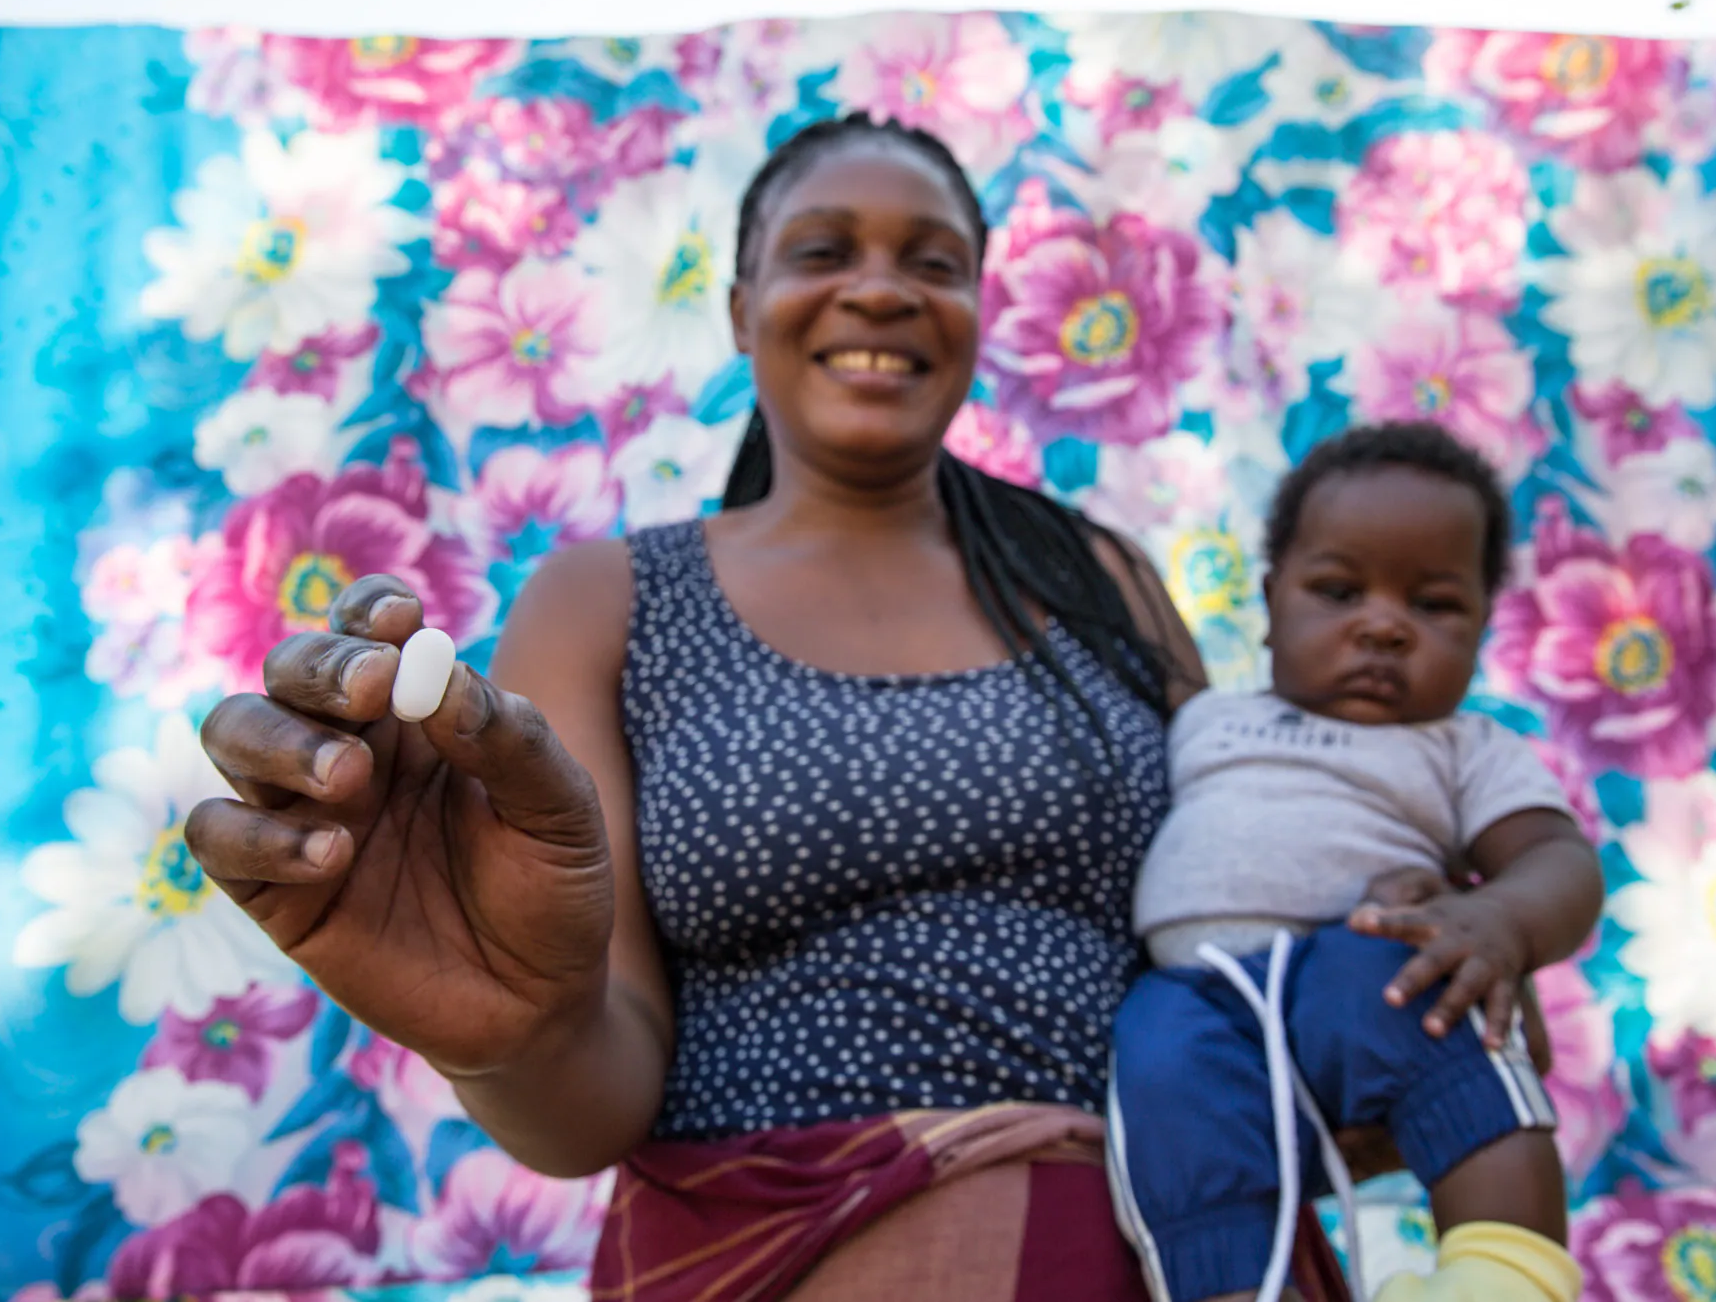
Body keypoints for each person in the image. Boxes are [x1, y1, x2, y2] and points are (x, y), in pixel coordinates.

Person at [182, 115, 1500, 1300]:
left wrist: (1423, 959)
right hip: (764, 1251)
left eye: (934, 261)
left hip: (1170, 1245)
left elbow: (1242, 892)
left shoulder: (1097, 579)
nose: (881, 285)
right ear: (744, 299)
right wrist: (514, 1031)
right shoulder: (609, 600)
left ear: (979, 312)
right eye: (824, 249)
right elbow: (591, 1099)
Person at [1106, 424, 1606, 1302]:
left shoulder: (1463, 749)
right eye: (1339, 591)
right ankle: (1238, 1287)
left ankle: (1499, 1275)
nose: (1382, 624)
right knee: (1155, 1071)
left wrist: (1500, 920)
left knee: (1438, 1005)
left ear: (1483, 628)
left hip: (1360, 957)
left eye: (1433, 605)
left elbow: (1557, 858)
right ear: (1270, 604)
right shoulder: (1204, 723)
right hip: (1197, 993)